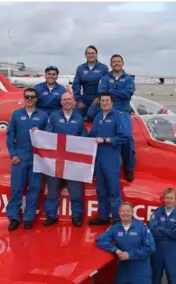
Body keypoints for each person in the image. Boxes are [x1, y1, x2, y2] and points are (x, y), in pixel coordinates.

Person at [5, 87, 48, 230]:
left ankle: (29, 217)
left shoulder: (43, 116)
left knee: (35, 188)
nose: (29, 99)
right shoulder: (16, 115)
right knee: (17, 188)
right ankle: (13, 217)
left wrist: (41, 132)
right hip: (20, 157)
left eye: (32, 97)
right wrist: (13, 154)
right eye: (27, 97)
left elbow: (49, 136)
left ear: (36, 99)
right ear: (24, 99)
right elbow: (10, 136)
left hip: (36, 157)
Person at [43, 92, 88, 227]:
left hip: (73, 161)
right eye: (64, 100)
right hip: (56, 160)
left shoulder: (79, 118)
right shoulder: (54, 116)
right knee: (52, 190)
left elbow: (84, 135)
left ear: (73, 101)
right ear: (61, 102)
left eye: (69, 99)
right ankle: (51, 215)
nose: (67, 102)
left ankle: (77, 216)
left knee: (76, 191)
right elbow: (47, 135)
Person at [88, 92, 127, 225]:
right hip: (98, 158)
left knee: (113, 190)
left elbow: (124, 137)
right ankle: (103, 217)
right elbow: (92, 134)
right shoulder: (98, 116)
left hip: (111, 158)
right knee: (101, 189)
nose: (104, 103)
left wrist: (106, 140)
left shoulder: (118, 117)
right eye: (102, 101)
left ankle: (117, 220)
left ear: (112, 102)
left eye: (107, 101)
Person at [97, 54, 136, 182]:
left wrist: (111, 91)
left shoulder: (129, 79)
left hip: (123, 111)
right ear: (111, 64)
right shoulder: (105, 78)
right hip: (107, 109)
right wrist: (117, 92)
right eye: (114, 62)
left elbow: (128, 94)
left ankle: (129, 169)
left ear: (122, 63)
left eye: (118, 61)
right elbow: (102, 92)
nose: (116, 63)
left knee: (127, 138)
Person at [72, 45, 110, 121]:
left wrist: (99, 97)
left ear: (96, 54)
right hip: (84, 98)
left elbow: (106, 85)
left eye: (93, 53)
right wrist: (79, 100)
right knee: (75, 115)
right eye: (89, 53)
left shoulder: (103, 68)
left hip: (98, 99)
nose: (91, 55)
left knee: (90, 115)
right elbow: (76, 85)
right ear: (85, 55)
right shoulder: (80, 68)